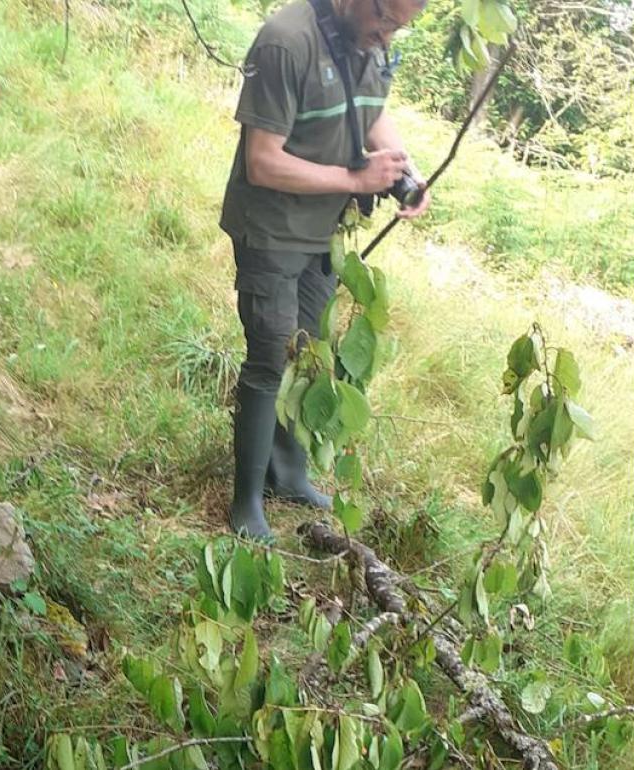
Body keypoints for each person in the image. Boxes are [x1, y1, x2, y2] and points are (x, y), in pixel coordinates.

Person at [219, 0, 432, 540]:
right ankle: (246, 502)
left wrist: (401, 166)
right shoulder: (285, 41)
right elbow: (262, 161)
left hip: (323, 233)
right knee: (269, 358)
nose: (386, 37)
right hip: (270, 229)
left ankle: (287, 474)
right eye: (384, 20)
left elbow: (372, 108)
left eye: (399, 29)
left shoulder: (368, 41)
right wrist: (357, 181)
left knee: (309, 351)